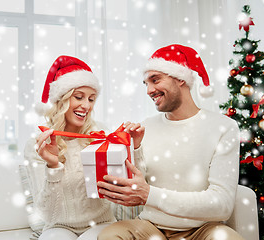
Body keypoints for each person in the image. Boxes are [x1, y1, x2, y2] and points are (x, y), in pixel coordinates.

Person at [97, 44, 245, 240]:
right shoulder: (144, 128)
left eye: (155, 80)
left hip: (202, 230)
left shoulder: (223, 127)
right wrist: (135, 149)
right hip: (150, 227)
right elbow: (136, 183)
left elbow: (222, 205)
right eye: (146, 83)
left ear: (181, 78)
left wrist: (150, 195)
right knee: (110, 235)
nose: (149, 90)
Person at [24, 55, 144, 240]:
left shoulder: (100, 135)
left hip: (101, 223)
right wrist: (53, 167)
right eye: (78, 97)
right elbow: (47, 213)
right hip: (58, 226)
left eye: (91, 99)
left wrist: (134, 148)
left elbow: (132, 185)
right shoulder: (40, 145)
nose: (86, 105)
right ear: (60, 100)